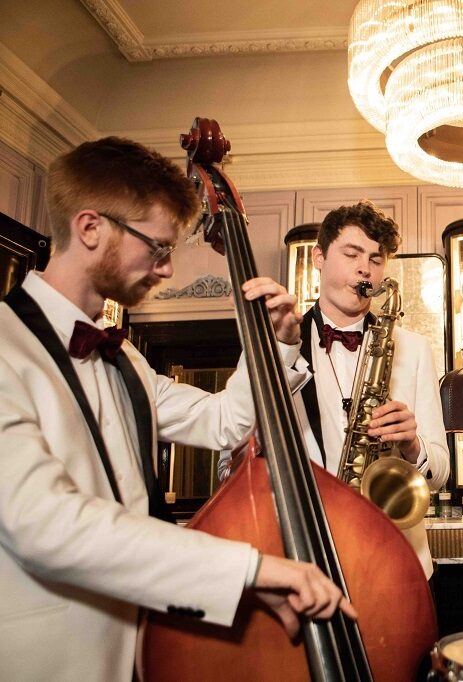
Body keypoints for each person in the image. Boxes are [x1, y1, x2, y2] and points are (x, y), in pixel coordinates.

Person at [0, 137, 356, 682]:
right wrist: (251, 569)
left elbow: (223, 422)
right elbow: (43, 522)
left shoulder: (127, 362)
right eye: (158, 248)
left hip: (146, 652)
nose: (167, 271)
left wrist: (280, 344)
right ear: (90, 227)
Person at [279, 201, 449, 578]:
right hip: (308, 556)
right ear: (318, 257)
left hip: (396, 556)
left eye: (376, 259)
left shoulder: (415, 348)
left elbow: (440, 472)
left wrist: (413, 444)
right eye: (351, 254)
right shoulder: (278, 343)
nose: (364, 269)